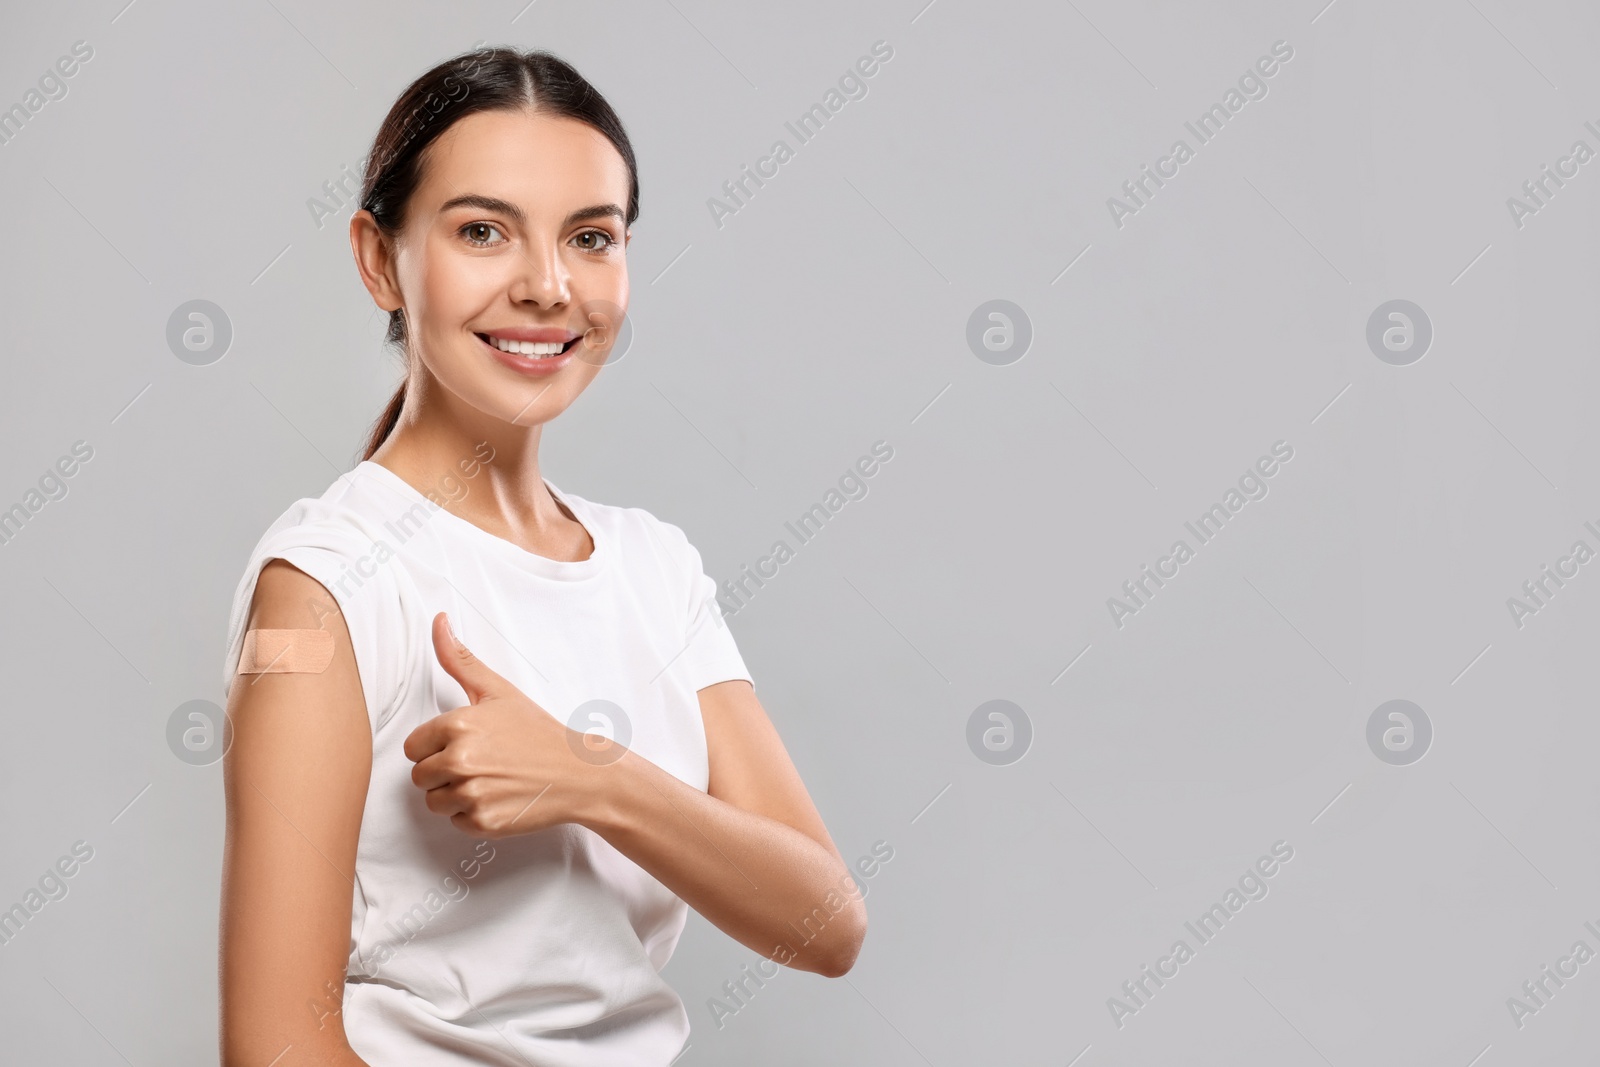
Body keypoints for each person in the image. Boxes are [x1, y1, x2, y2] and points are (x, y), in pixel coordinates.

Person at [217, 45, 866, 1066]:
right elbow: (272, 1049)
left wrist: (589, 775)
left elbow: (827, 921)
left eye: (591, 237)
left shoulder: (655, 564)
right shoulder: (325, 585)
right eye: (483, 230)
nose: (548, 285)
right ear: (380, 258)